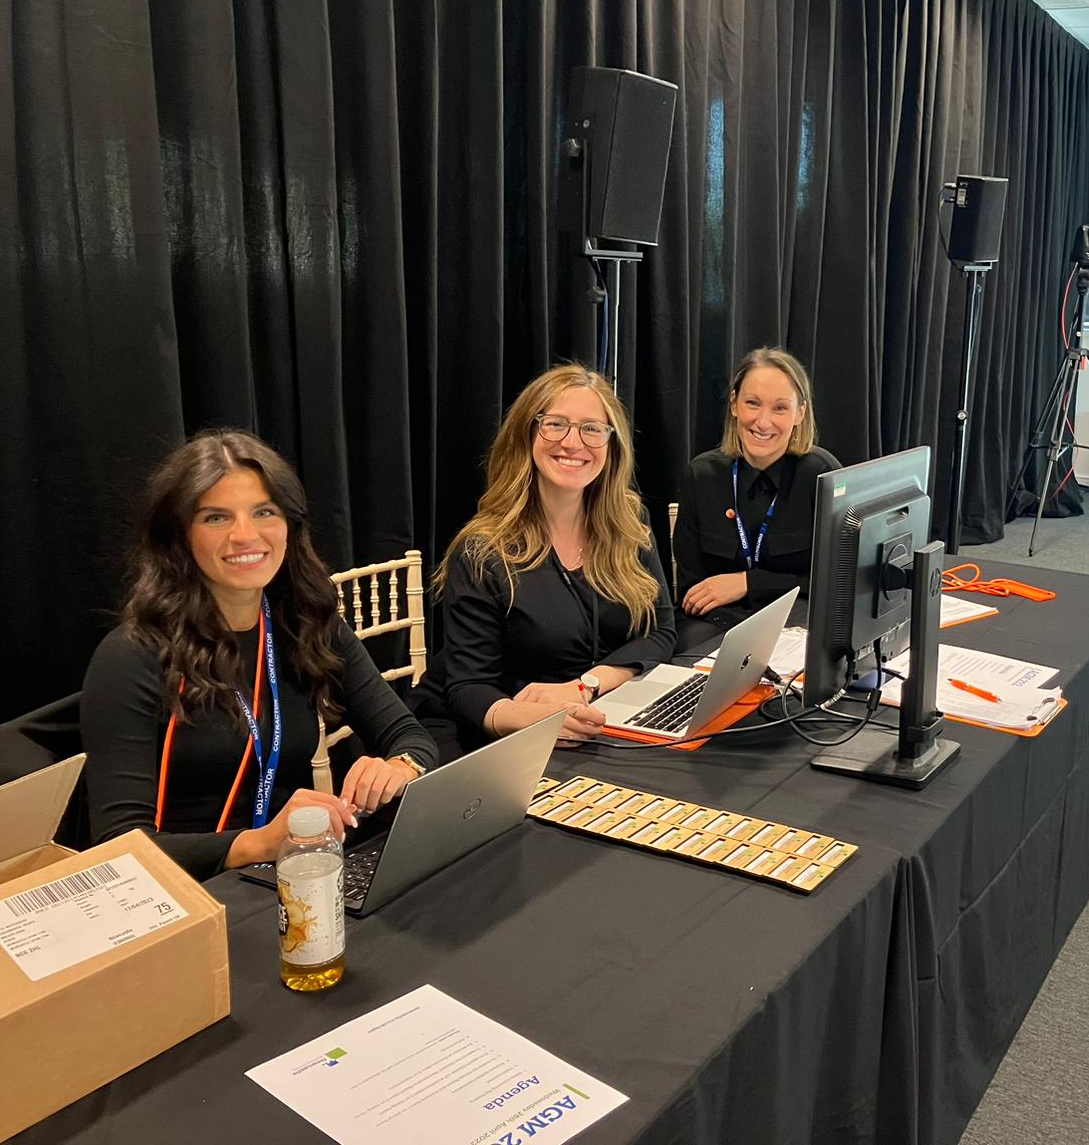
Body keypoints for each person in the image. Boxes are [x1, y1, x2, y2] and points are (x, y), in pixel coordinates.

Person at [81, 431, 438, 882]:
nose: (245, 535)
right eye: (216, 517)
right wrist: (258, 842)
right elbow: (117, 849)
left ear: (289, 525)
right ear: (180, 536)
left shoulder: (306, 623)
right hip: (183, 892)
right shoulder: (131, 655)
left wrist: (399, 767)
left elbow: (410, 735)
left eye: (264, 512)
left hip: (283, 875)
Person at [430, 363, 675, 749]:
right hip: (515, 740)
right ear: (526, 435)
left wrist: (586, 685)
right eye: (555, 424)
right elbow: (468, 689)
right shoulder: (481, 552)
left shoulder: (629, 522)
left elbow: (661, 631)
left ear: (611, 445)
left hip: (601, 716)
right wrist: (539, 721)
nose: (573, 443)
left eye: (592, 429)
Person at [673, 348, 839, 648]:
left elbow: (838, 579)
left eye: (780, 408)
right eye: (753, 403)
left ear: (800, 413)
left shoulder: (823, 475)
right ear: (734, 404)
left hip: (799, 621)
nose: (763, 422)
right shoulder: (701, 475)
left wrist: (748, 583)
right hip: (720, 624)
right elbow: (692, 589)